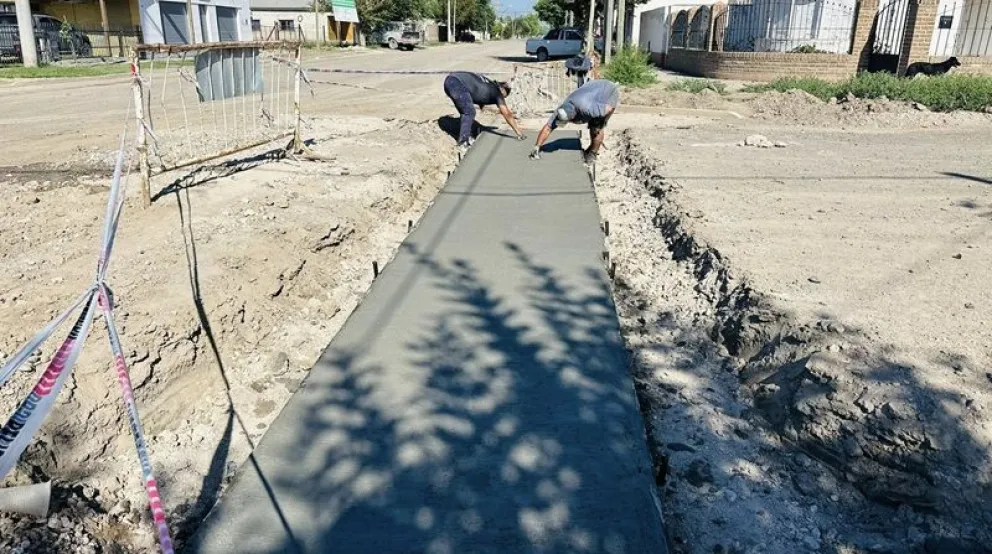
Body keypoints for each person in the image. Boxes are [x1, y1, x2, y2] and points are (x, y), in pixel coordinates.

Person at [530, 79, 620, 165]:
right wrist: (537, 147)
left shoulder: (587, 108)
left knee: (596, 127)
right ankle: (591, 148)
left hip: (608, 91)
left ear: (573, 116)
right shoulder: (561, 110)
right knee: (593, 122)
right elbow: (548, 128)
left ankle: (592, 154)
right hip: (591, 91)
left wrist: (604, 121)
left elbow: (608, 109)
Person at [442, 71, 526, 149]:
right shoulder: (497, 92)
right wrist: (519, 132)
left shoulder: (489, 85)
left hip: (451, 80)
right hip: (457, 83)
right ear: (502, 90)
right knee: (469, 112)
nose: (502, 99)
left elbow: (480, 96)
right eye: (504, 96)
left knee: (465, 110)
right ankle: (463, 142)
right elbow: (506, 113)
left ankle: (467, 135)